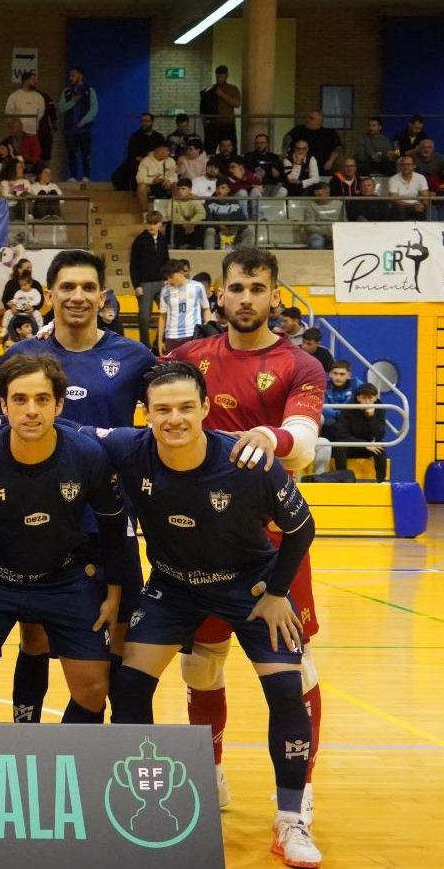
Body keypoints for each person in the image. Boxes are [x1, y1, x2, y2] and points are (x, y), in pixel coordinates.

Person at [103, 360, 321, 869]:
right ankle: (141, 800)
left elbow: (302, 528)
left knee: (287, 687)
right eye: (162, 410)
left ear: (205, 408)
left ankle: (290, 818)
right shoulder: (129, 449)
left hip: (250, 586)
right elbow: (66, 429)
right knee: (130, 686)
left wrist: (277, 593)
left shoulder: (248, 460)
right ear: (147, 414)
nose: (174, 419)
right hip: (174, 587)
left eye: (185, 407)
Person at [165, 248, 326, 826]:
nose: (247, 298)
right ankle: (209, 777)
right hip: (199, 545)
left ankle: (298, 799)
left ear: (275, 296)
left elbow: (304, 440)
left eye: (259, 288)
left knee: (295, 671)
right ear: (220, 295)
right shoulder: (188, 359)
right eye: (237, 288)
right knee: (201, 669)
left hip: (276, 544)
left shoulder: (299, 366)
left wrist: (270, 436)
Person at [0, 250, 156, 721]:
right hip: (37, 516)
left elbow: (164, 415)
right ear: (49, 295)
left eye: (88, 287)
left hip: (108, 518)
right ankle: (27, 735)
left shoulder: (134, 357)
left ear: (103, 296)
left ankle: (106, 750)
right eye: (67, 288)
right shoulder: (20, 357)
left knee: (117, 632)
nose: (77, 297)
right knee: (35, 634)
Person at [0, 354, 130, 724]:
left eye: (42, 400)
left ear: (59, 405)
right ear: (3, 405)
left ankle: (59, 767)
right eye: (19, 400)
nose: (31, 410)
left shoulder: (88, 455)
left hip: (65, 578)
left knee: (94, 690)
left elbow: (113, 526)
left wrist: (114, 591)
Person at [129, 211, 169, 348]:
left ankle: (159, 342)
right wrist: (136, 285)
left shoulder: (163, 239)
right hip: (144, 284)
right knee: (144, 317)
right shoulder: (140, 240)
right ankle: (144, 345)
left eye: (154, 223)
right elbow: (133, 264)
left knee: (169, 312)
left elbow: (166, 260)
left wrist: (167, 278)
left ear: (160, 224)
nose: (152, 226)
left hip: (161, 283)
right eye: (149, 223)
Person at [333, 383, 387, 480]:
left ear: (375, 398)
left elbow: (380, 434)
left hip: (370, 447)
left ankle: (381, 482)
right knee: (340, 447)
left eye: (370, 398)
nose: (367, 402)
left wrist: (372, 417)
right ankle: (342, 480)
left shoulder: (379, 408)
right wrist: (364, 444)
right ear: (358, 398)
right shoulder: (348, 409)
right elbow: (341, 435)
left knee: (381, 448)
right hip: (352, 446)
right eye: (364, 398)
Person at [157, 260, 210, 354]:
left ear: (181, 272)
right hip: (171, 337)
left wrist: (207, 330)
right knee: (174, 368)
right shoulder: (165, 291)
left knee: (193, 367)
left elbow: (206, 309)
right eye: (167, 277)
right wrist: (160, 340)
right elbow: (162, 316)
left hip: (193, 334)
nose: (169, 280)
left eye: (171, 276)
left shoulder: (197, 287)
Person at [58, 67, 98, 188]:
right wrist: (73, 101)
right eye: (70, 76)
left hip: (84, 129)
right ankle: (73, 176)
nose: (70, 78)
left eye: (73, 76)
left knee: (86, 153)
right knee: (71, 154)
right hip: (70, 130)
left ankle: (86, 176)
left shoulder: (89, 90)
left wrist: (84, 121)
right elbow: (62, 107)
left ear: (80, 76)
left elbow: (94, 109)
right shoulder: (66, 91)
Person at [202, 65, 242, 152]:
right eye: (218, 76)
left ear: (227, 76)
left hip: (227, 123)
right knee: (209, 149)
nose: (220, 78)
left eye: (222, 76)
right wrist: (205, 123)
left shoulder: (233, 89)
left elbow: (237, 103)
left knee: (230, 150)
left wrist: (222, 94)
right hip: (213, 124)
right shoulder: (211, 89)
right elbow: (203, 106)